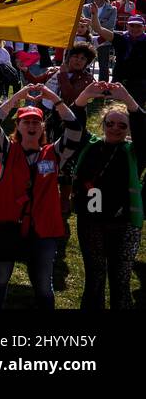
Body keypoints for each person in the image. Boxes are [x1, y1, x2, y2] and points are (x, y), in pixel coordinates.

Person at [0, 83, 82, 309]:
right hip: (7, 227)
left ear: (42, 127)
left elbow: (75, 128)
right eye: (26, 121)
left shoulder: (55, 153)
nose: (31, 125)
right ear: (18, 125)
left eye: (35, 122)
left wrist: (54, 99)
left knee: (43, 285)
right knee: (0, 276)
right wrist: (17, 97)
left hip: (44, 230)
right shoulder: (6, 151)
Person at [70, 81, 143, 309]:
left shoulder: (134, 151)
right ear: (103, 124)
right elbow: (72, 124)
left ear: (129, 130)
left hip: (124, 226)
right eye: (110, 123)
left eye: (122, 126)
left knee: (120, 281)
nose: (114, 128)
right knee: (95, 279)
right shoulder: (89, 145)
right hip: (92, 222)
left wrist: (128, 100)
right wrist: (85, 95)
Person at [90, 13, 146, 105]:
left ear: (144, 27)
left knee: (135, 110)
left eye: (138, 26)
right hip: (119, 79)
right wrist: (94, 13)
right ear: (127, 26)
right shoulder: (120, 37)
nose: (135, 29)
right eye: (132, 25)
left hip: (139, 82)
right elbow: (98, 29)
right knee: (113, 108)